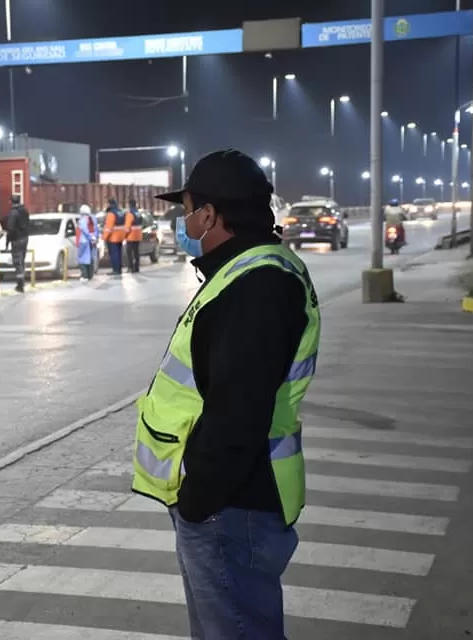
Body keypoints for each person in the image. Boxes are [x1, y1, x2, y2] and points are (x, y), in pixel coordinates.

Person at [132, 149, 321, 639]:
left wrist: (198, 500)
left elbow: (238, 411)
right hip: (229, 502)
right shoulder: (243, 273)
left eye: (187, 209)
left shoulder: (257, 284)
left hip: (231, 505)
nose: (184, 220)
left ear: (211, 214)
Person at [5, 194, 30, 292]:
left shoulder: (13, 213)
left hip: (16, 239)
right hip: (25, 238)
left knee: (17, 261)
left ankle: (20, 285)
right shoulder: (25, 211)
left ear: (11, 201)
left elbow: (10, 228)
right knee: (22, 260)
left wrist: (7, 242)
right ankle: (22, 281)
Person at [101, 198, 126, 275]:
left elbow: (109, 227)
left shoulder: (111, 213)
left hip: (113, 237)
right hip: (121, 237)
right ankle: (119, 269)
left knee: (114, 254)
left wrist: (104, 237)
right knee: (119, 253)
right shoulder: (120, 212)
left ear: (109, 204)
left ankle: (115, 270)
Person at [75, 204, 98, 281]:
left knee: (82, 259)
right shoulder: (93, 219)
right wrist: (94, 238)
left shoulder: (82, 220)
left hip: (84, 241)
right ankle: (90, 275)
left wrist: (89, 237)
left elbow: (84, 231)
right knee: (90, 259)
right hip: (92, 241)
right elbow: (96, 230)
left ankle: (84, 276)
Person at [124, 198, 143, 273]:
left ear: (129, 205)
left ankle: (130, 267)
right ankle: (137, 268)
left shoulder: (130, 214)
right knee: (136, 252)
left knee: (129, 253)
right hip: (138, 236)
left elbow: (127, 227)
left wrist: (125, 235)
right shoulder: (138, 213)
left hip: (131, 236)